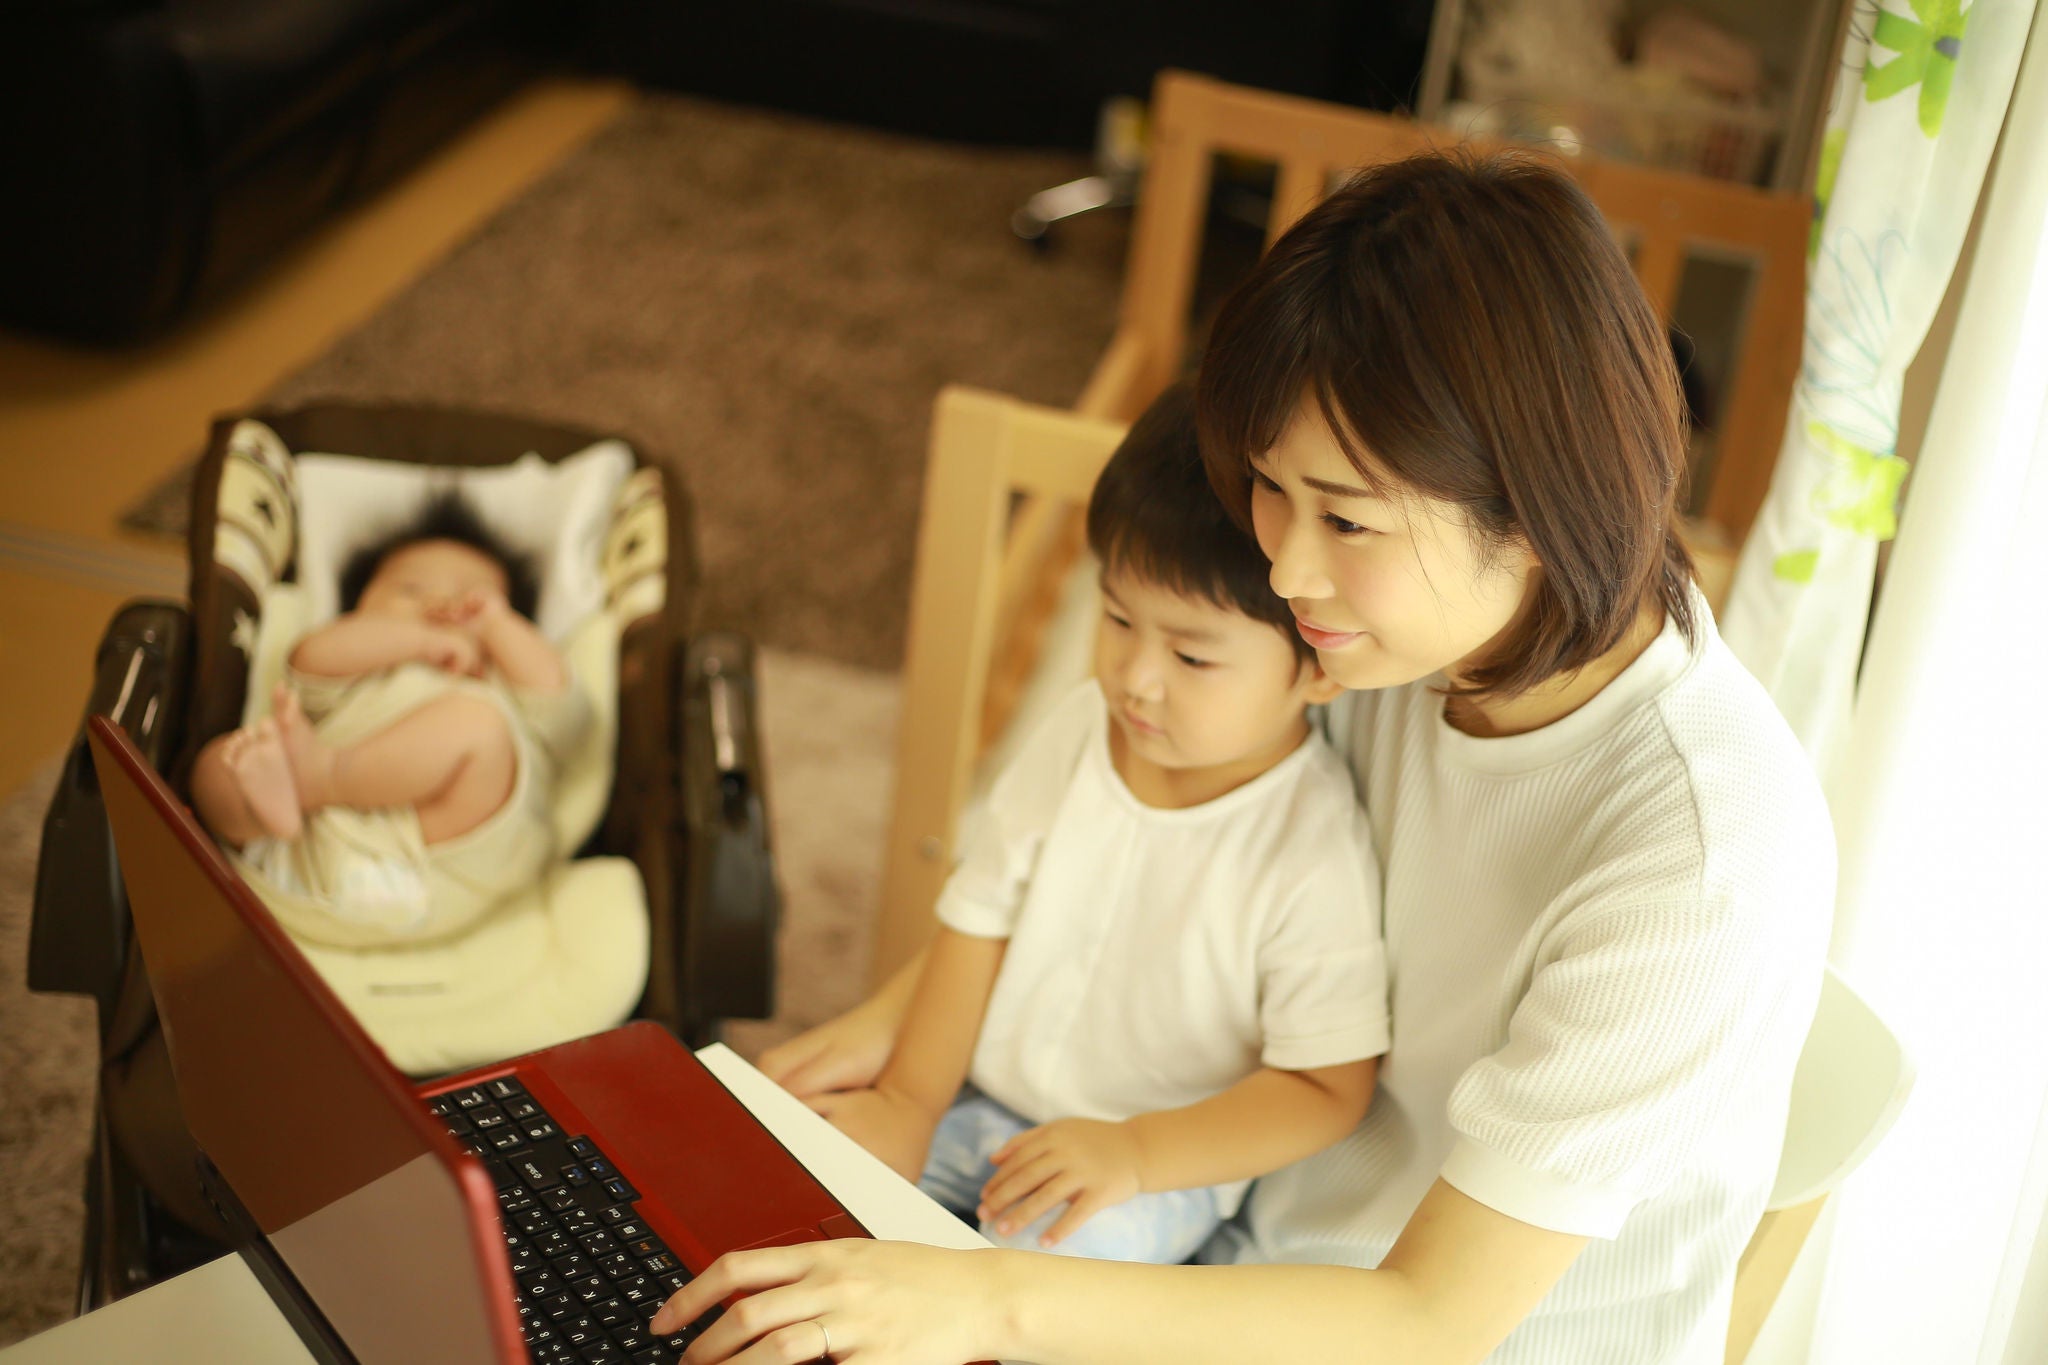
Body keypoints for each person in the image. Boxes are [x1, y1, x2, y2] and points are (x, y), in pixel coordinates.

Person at [649, 150, 1835, 1364]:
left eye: (1348, 519)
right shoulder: (1392, 641)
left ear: (1536, 507)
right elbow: (1125, 826)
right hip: (1241, 1238)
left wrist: (983, 1297)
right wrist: (903, 1036)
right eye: (1270, 490)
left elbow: (1429, 1321)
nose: (1284, 570)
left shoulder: (1700, 855)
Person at [818, 380, 1387, 1264]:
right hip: (990, 1104)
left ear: (1320, 666)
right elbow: (979, 919)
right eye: (1117, 618)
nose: (1135, 677)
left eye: (1192, 654)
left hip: (1151, 1168)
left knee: (1027, 1305)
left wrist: (1135, 1151)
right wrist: (906, 1102)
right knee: (815, 1195)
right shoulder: (1084, 731)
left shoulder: (1310, 852)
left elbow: (1325, 1087)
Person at [192, 492, 589, 947]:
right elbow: (311, 657)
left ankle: (322, 776)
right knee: (216, 767)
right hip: (307, 842)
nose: (442, 603)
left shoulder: (501, 685)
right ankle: (293, 790)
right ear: (360, 605)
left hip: (436, 863)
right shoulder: (362, 666)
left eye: (475, 598)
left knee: (479, 729)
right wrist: (418, 642)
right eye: (409, 590)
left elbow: (568, 715)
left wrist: (496, 626)